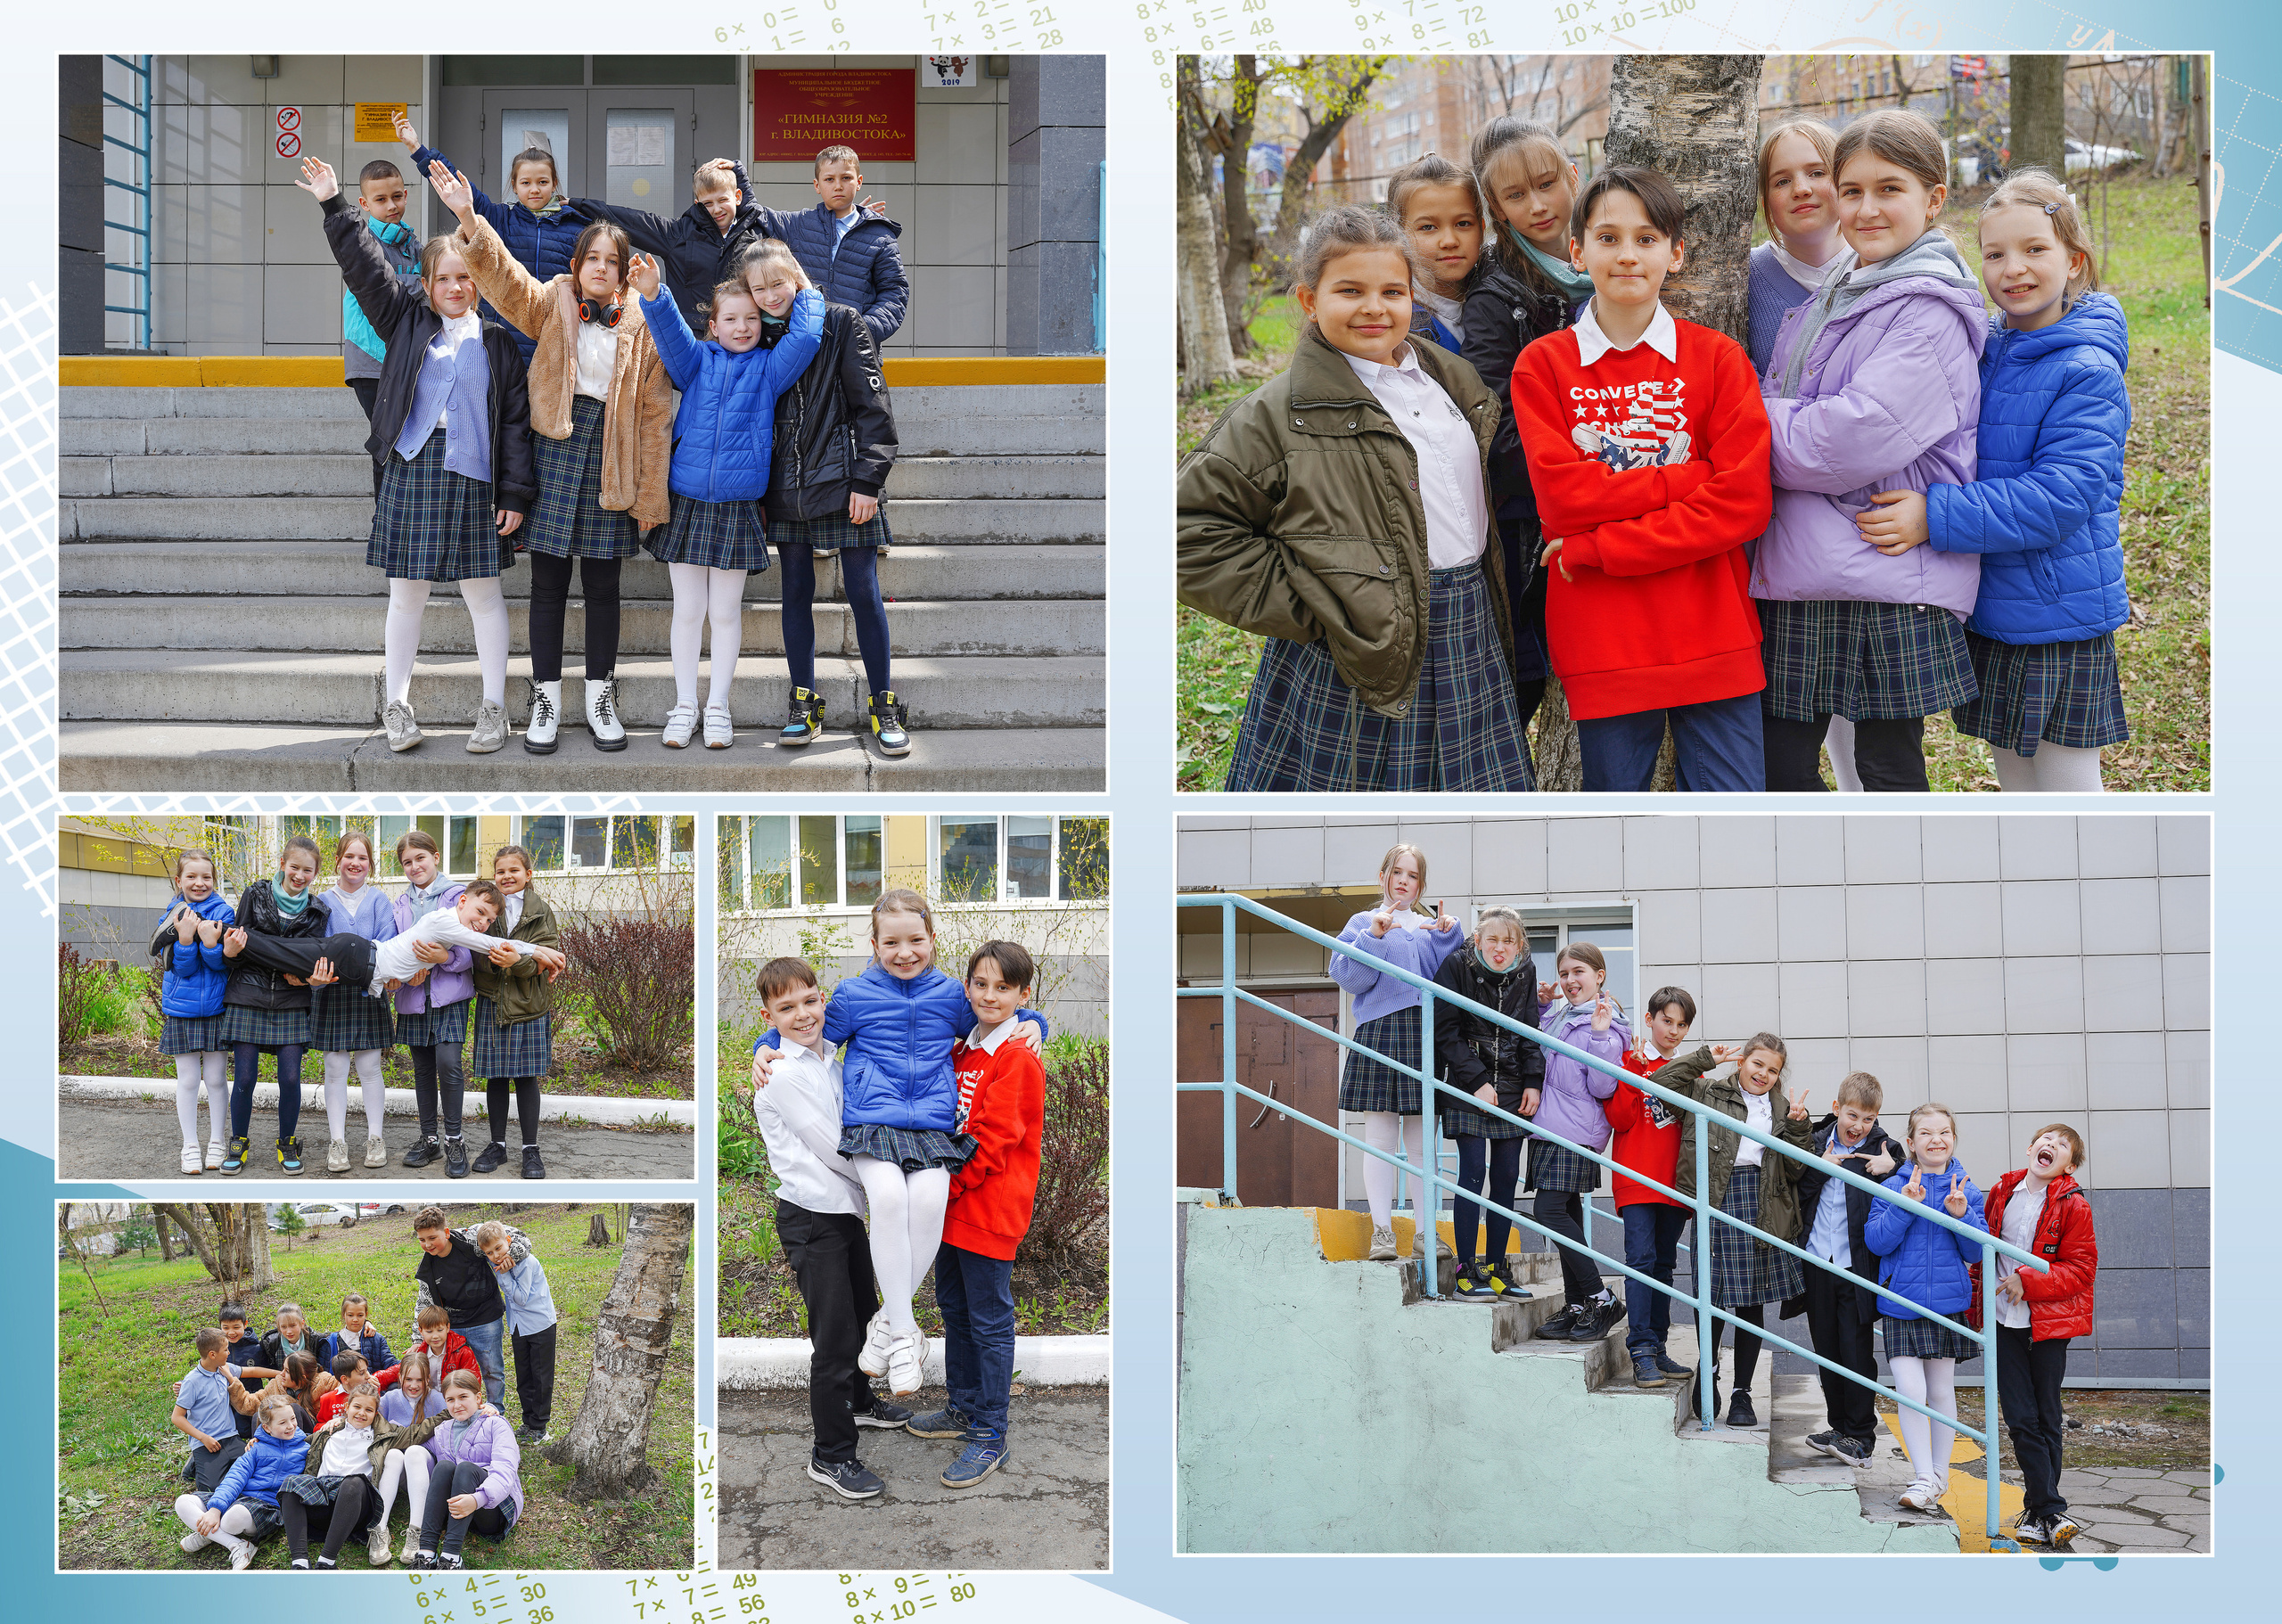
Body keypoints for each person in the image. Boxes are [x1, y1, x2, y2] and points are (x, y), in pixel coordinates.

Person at [1178, 204, 1532, 791]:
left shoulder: (1452, 381)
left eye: (1392, 291)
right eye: (1349, 290)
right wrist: (1317, 607)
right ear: (1310, 301)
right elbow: (1188, 534)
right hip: (1354, 651)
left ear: (1412, 298)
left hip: (1467, 625)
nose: (1374, 307)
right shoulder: (1277, 412)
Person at [1857, 169, 2133, 792]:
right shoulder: (1986, 347)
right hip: (1998, 611)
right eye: (1995, 253)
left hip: (2059, 615)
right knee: (2016, 785)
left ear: (2075, 260)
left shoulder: (2086, 369)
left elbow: (2060, 498)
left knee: (2068, 789)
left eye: (2035, 250)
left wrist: (1935, 515)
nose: (2014, 268)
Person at [1510, 165, 1776, 791]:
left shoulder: (1717, 359)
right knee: (1617, 834)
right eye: (1608, 238)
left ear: (1675, 253)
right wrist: (1689, 479)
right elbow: (1566, 501)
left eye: (1648, 238)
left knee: (1730, 820)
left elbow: (1742, 504)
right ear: (1577, 251)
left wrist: (1603, 546)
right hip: (1604, 638)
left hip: (1712, 628)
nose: (1628, 254)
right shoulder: (1544, 366)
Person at [1755, 109, 1987, 791]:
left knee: (1887, 773)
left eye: (1889, 189)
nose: (1865, 207)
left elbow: (1847, 438)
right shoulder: (1847, 285)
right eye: (1852, 190)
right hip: (1813, 564)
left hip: (1881, 572)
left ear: (1934, 199)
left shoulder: (1928, 308)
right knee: (1781, 768)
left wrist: (1738, 425)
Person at [750, 892, 1046, 1398]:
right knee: (887, 1200)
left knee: (929, 1199)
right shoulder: (851, 995)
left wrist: (1035, 1023)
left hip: (930, 1125)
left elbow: (991, 1018)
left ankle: (889, 1321)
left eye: (915, 940)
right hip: (872, 1123)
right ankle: (908, 1335)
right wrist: (764, 1047)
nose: (904, 952)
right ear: (874, 944)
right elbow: (810, 1035)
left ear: (932, 939)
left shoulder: (953, 995)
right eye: (891, 942)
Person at [431, 160, 675, 752]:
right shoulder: (553, 303)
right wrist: (468, 216)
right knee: (546, 584)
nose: (599, 269)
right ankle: (544, 698)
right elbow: (507, 281)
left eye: (610, 262)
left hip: (610, 457)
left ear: (621, 273)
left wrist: (649, 496)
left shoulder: (642, 324)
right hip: (556, 453)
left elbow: (652, 414)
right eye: (591, 259)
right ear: (576, 265)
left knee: (603, 585)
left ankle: (599, 696)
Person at [302, 154, 533, 757]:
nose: (456, 288)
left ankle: (492, 710)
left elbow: (514, 423)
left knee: (484, 596)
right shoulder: (404, 321)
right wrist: (334, 204)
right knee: (407, 594)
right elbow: (364, 268)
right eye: (444, 279)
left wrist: (513, 493)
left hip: (475, 478)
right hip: (413, 469)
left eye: (466, 278)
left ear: (479, 283)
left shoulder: (499, 343)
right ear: (425, 286)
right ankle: (397, 706)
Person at [633, 242, 825, 748]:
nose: (743, 327)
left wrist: (801, 289)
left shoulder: (769, 370)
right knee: (687, 612)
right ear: (713, 326)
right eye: (731, 319)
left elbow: (805, 337)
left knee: (724, 612)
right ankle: (683, 706)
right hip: (688, 503)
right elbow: (670, 335)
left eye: (751, 319)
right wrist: (654, 294)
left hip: (738, 507)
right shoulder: (695, 363)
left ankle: (717, 707)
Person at [748, 956, 906, 1502]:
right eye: (786, 1008)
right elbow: (834, 1147)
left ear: (823, 999)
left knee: (863, 1315)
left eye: (809, 1001)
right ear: (768, 1014)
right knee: (835, 1340)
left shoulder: (828, 1058)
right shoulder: (784, 1074)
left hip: (843, 1214)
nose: (802, 1014)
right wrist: (881, 1192)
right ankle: (831, 1456)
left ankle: (861, 1406)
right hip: (813, 1217)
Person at [746, 242, 906, 754]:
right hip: (784, 488)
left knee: (862, 589)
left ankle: (883, 703)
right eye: (759, 288)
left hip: (842, 484)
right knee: (795, 591)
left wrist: (868, 482)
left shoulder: (840, 322)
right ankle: (804, 702)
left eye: (777, 283)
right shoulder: (755, 334)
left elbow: (873, 408)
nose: (770, 296)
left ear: (796, 276)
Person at [1748, 118, 1867, 787]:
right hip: (1787, 523)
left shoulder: (1884, 268)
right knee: (1796, 720)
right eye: (1781, 179)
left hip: (1876, 515)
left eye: (1816, 172)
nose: (1801, 189)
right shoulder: (1751, 279)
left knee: (1868, 726)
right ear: (1764, 198)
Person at [1463, 116, 1586, 752]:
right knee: (1522, 680)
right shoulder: (1498, 298)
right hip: (1527, 527)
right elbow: (1497, 437)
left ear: (1573, 176)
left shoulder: (1609, 263)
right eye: (1516, 195)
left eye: (1547, 183)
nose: (1539, 205)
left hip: (1599, 524)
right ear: (1497, 210)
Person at [908, 941, 1048, 1490]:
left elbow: (993, 1143)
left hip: (988, 1209)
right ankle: (964, 1407)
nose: (990, 996)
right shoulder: (964, 1050)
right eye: (981, 985)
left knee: (989, 1323)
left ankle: (990, 1433)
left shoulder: (1017, 1058)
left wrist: (945, 1188)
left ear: (1022, 994)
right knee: (955, 1309)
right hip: (952, 1210)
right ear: (967, 988)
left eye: (1004, 988)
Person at [1654, 1034, 1814, 1427]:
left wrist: (1798, 1129)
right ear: (1742, 1061)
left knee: (1750, 1301)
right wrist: (1704, 1058)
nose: (1763, 1074)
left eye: (1772, 1070)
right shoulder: (1706, 1090)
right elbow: (1658, 1086)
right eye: (1757, 1064)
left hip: (1761, 1202)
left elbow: (1797, 1171)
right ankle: (1707, 1377)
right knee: (1710, 1295)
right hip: (1717, 1197)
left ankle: (1742, 1393)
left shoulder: (1782, 1109)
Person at [1328, 844, 1463, 1261]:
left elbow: (1447, 978)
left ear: (1421, 884)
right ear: (1383, 874)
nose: (1404, 881)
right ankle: (1383, 1233)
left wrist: (1448, 934)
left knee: (1423, 1144)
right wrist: (1375, 936)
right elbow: (1348, 977)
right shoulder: (1362, 922)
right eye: (1397, 872)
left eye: (1413, 875)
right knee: (1380, 1140)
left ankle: (1426, 1232)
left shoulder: (1426, 926)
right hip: (1379, 1032)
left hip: (1422, 1033)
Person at [1865, 1102, 1989, 1512]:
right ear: (1911, 1143)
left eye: (1944, 1133)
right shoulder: (1893, 1186)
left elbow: (1977, 1251)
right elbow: (1877, 1243)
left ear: (1953, 1139)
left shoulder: (1966, 1187)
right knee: (1911, 1391)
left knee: (1939, 1391)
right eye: (1926, 1134)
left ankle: (1938, 1474)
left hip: (1947, 1304)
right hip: (1901, 1302)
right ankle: (1923, 1476)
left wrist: (1961, 1214)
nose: (1936, 1140)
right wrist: (1905, 1205)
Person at [396, 111, 595, 364]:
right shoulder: (498, 219)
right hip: (501, 341)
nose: (534, 189)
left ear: (554, 183)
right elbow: (455, 185)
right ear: (514, 185)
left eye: (542, 182)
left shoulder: (577, 226)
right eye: (526, 182)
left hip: (554, 342)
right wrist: (416, 147)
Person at [1983, 1124, 2097, 1546]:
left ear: (2070, 1165)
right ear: (2032, 1148)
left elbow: (2083, 1270)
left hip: (2048, 1325)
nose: (2051, 1145)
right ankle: (2050, 1510)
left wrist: (2027, 1281)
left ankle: (2038, 1512)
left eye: (2063, 1145)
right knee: (2019, 1417)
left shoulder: (2073, 1205)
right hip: (2001, 1321)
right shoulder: (2002, 1193)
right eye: (2046, 1139)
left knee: (2047, 1415)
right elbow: (1984, 1248)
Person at [1789, 1073, 1906, 1465]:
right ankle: (1838, 1428)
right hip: (1819, 1258)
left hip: (1857, 1267)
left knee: (1856, 1351)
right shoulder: (1816, 1141)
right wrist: (1819, 1166)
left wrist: (1892, 1167)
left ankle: (1861, 1436)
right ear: (1837, 1109)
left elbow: (1908, 1181)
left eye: (1868, 1119)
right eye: (1852, 1116)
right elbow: (1796, 1194)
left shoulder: (1884, 1150)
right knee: (1827, 1349)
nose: (1858, 1127)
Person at [1428, 905, 1540, 1304]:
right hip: (1465, 1084)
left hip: (1511, 1086)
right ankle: (1466, 1268)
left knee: (1507, 1176)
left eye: (1508, 941)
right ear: (1478, 939)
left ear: (1519, 945)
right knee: (1473, 1173)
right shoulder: (1456, 965)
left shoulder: (1525, 972)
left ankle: (1496, 1268)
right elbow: (1446, 1030)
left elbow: (1529, 1028)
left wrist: (1533, 1080)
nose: (1499, 948)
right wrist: (1476, 1081)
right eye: (1492, 939)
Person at [1528, 943, 1628, 1341]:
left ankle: (1601, 1297)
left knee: (1548, 1210)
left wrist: (1602, 1038)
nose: (1570, 980)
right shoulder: (1561, 1017)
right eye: (1564, 973)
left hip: (1574, 1132)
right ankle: (1577, 1304)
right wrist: (1538, 1009)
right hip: (1549, 1127)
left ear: (1599, 976)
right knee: (1565, 1211)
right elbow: (1537, 1055)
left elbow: (1604, 1087)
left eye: (1579, 972)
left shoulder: (1606, 1023)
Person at [1606, 985, 1701, 1387]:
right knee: (1641, 1262)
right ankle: (1640, 1348)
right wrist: (1633, 1071)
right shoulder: (1631, 1061)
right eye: (1667, 1021)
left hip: (1674, 1185)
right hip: (1637, 1179)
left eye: (1682, 1025)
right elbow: (1620, 1119)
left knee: (1664, 1266)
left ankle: (1658, 1346)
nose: (1674, 1031)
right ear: (1650, 1020)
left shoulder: (1691, 1074)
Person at [218, 835, 326, 1176]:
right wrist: (235, 951)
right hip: (247, 995)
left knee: (291, 1079)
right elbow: (239, 947)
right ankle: (238, 1141)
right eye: (294, 867)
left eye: (307, 870)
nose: (299, 875)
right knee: (245, 1079)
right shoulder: (255, 894)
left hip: (292, 1001)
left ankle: (287, 1141)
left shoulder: (318, 910)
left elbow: (310, 959)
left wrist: (306, 975)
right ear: (282, 864)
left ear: (316, 873)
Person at [574, 157, 776, 334]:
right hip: (691, 340)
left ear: (738, 197)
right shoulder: (679, 233)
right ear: (697, 204)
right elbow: (631, 220)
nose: (716, 209)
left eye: (723, 200)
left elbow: (756, 212)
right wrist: (577, 205)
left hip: (742, 337)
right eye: (708, 204)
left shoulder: (755, 233)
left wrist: (738, 169)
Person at [753, 144, 908, 346]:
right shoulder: (799, 224)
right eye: (829, 179)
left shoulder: (880, 235)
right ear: (817, 185)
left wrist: (861, 330)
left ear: (859, 182)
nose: (838, 186)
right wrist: (735, 169)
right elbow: (756, 214)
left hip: (855, 351)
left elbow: (894, 293)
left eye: (846, 178)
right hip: (804, 343)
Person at [471, 844, 562, 1178]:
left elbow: (545, 958)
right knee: (495, 1077)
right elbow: (475, 948)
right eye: (500, 872)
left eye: (514, 870)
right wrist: (496, 960)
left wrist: (518, 962)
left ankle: (530, 1149)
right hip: (493, 1002)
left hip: (528, 1005)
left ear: (528, 874)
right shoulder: (488, 906)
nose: (506, 876)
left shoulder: (541, 910)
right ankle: (497, 1145)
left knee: (525, 1077)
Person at [339, 159, 426, 494]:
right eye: (380, 199)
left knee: (404, 443)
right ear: (364, 204)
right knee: (388, 444)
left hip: (400, 358)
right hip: (372, 362)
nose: (391, 205)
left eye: (397, 196)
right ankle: (385, 527)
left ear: (406, 194)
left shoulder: (410, 242)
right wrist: (424, 282)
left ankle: (401, 522)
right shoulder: (363, 244)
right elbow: (387, 287)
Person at [312, 832, 397, 1173]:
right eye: (349, 856)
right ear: (337, 861)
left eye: (362, 858)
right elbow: (317, 945)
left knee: (370, 1069)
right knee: (334, 1071)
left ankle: (375, 1139)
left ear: (370, 865)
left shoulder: (379, 901)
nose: (355, 863)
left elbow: (386, 944)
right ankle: (338, 1143)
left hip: (369, 990)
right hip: (332, 991)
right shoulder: (320, 900)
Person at [392, 830, 474, 1172]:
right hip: (413, 998)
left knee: (448, 1064)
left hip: (450, 997)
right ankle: (430, 1140)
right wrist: (403, 973)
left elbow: (472, 951)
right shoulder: (399, 904)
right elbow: (393, 947)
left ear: (436, 857)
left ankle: (455, 1140)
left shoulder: (459, 897)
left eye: (420, 859)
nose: (414, 867)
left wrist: (444, 959)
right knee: (423, 1070)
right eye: (407, 863)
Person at [152, 847, 235, 1174]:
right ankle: (190, 1146)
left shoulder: (224, 912)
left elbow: (222, 965)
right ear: (179, 880)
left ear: (215, 880)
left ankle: (216, 1142)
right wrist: (186, 940)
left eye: (206, 877)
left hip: (216, 1007)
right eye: (191, 876)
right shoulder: (172, 916)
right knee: (187, 1080)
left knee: (216, 1079)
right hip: (181, 1010)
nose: (199, 883)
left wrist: (212, 944)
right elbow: (179, 968)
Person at [173, 1390, 306, 1570]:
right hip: (240, 1499)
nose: (291, 1426)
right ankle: (236, 1545)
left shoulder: (306, 1448)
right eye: (282, 1422)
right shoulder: (255, 1449)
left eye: (293, 1419)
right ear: (267, 1428)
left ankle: (207, 1533)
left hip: (268, 1508)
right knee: (183, 1502)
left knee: (232, 1518)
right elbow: (235, 1478)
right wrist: (214, 1509)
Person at [411, 1370, 522, 1570]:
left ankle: (451, 1558)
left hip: (491, 1509)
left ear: (478, 1398)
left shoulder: (496, 1424)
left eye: (463, 1397)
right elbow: (415, 1451)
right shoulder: (442, 1431)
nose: (457, 1405)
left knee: (465, 1469)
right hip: (457, 1511)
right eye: (450, 1399)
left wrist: (477, 1500)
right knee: (444, 1466)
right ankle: (426, 1553)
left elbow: (505, 1471)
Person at [277, 1382, 388, 1569]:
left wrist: (448, 1413)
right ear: (347, 1407)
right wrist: (260, 1438)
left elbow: (416, 1432)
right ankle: (300, 1562)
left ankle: (327, 1561)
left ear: (376, 1414)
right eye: (357, 1407)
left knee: (354, 1482)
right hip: (323, 1497)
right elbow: (292, 1438)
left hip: (354, 1504)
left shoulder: (382, 1436)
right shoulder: (329, 1432)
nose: (361, 1413)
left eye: (369, 1410)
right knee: (291, 1483)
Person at [414, 1208, 512, 1409]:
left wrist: (514, 1255)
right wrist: (417, 1340)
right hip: (454, 1325)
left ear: (447, 1232)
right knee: (454, 1373)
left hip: (486, 1319)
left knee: (492, 1370)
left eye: (432, 1237)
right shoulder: (427, 1268)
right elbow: (423, 1304)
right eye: (422, 1240)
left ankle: (495, 1411)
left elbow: (516, 1237)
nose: (428, 1244)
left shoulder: (470, 1239)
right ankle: (456, 1412)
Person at [1387, 153, 1484, 353]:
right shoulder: (1394, 322)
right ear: (1399, 234)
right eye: (1428, 227)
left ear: (1482, 229)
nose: (1449, 241)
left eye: (1463, 224)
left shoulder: (1503, 298)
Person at [477, 1220, 559, 1444]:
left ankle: (540, 1426)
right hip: (518, 1327)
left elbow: (521, 1298)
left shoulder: (526, 1263)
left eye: (499, 1248)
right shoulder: (500, 1261)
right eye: (489, 1253)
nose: (495, 1255)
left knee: (541, 1376)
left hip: (540, 1324)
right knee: (524, 1376)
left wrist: (503, 1275)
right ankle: (528, 1421)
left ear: (509, 1242)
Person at [373, 1348, 447, 1564]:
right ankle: (379, 1528)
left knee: (414, 1450)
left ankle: (417, 1530)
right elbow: (379, 1436)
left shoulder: (437, 1400)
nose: (414, 1386)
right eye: (409, 1379)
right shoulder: (389, 1400)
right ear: (400, 1378)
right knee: (395, 1453)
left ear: (428, 1380)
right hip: (398, 1474)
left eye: (419, 1380)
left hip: (426, 1469)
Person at [171, 1328, 259, 1497]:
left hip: (231, 1438)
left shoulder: (223, 1369)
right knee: (211, 1489)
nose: (228, 1352)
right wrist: (204, 1438)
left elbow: (253, 1371)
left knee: (257, 1468)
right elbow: (177, 1417)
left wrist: (282, 1374)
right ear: (212, 1354)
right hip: (207, 1442)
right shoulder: (191, 1381)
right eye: (225, 1349)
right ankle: (196, 1463)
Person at [323, 1292, 398, 1376]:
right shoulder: (332, 1341)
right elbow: (325, 1373)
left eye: (360, 1315)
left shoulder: (377, 1339)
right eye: (350, 1315)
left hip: (371, 1385)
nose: (355, 1319)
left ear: (366, 1315)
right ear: (344, 1314)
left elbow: (390, 1363)